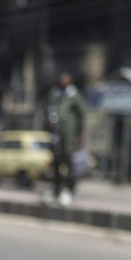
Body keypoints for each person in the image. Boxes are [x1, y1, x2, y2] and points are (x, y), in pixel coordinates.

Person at [45, 71, 85, 206]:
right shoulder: (54, 94)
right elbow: (48, 110)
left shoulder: (74, 95)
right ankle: (56, 190)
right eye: (62, 79)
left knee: (70, 163)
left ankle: (69, 190)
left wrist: (79, 136)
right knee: (56, 163)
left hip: (70, 136)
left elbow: (81, 116)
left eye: (67, 79)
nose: (64, 81)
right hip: (56, 135)